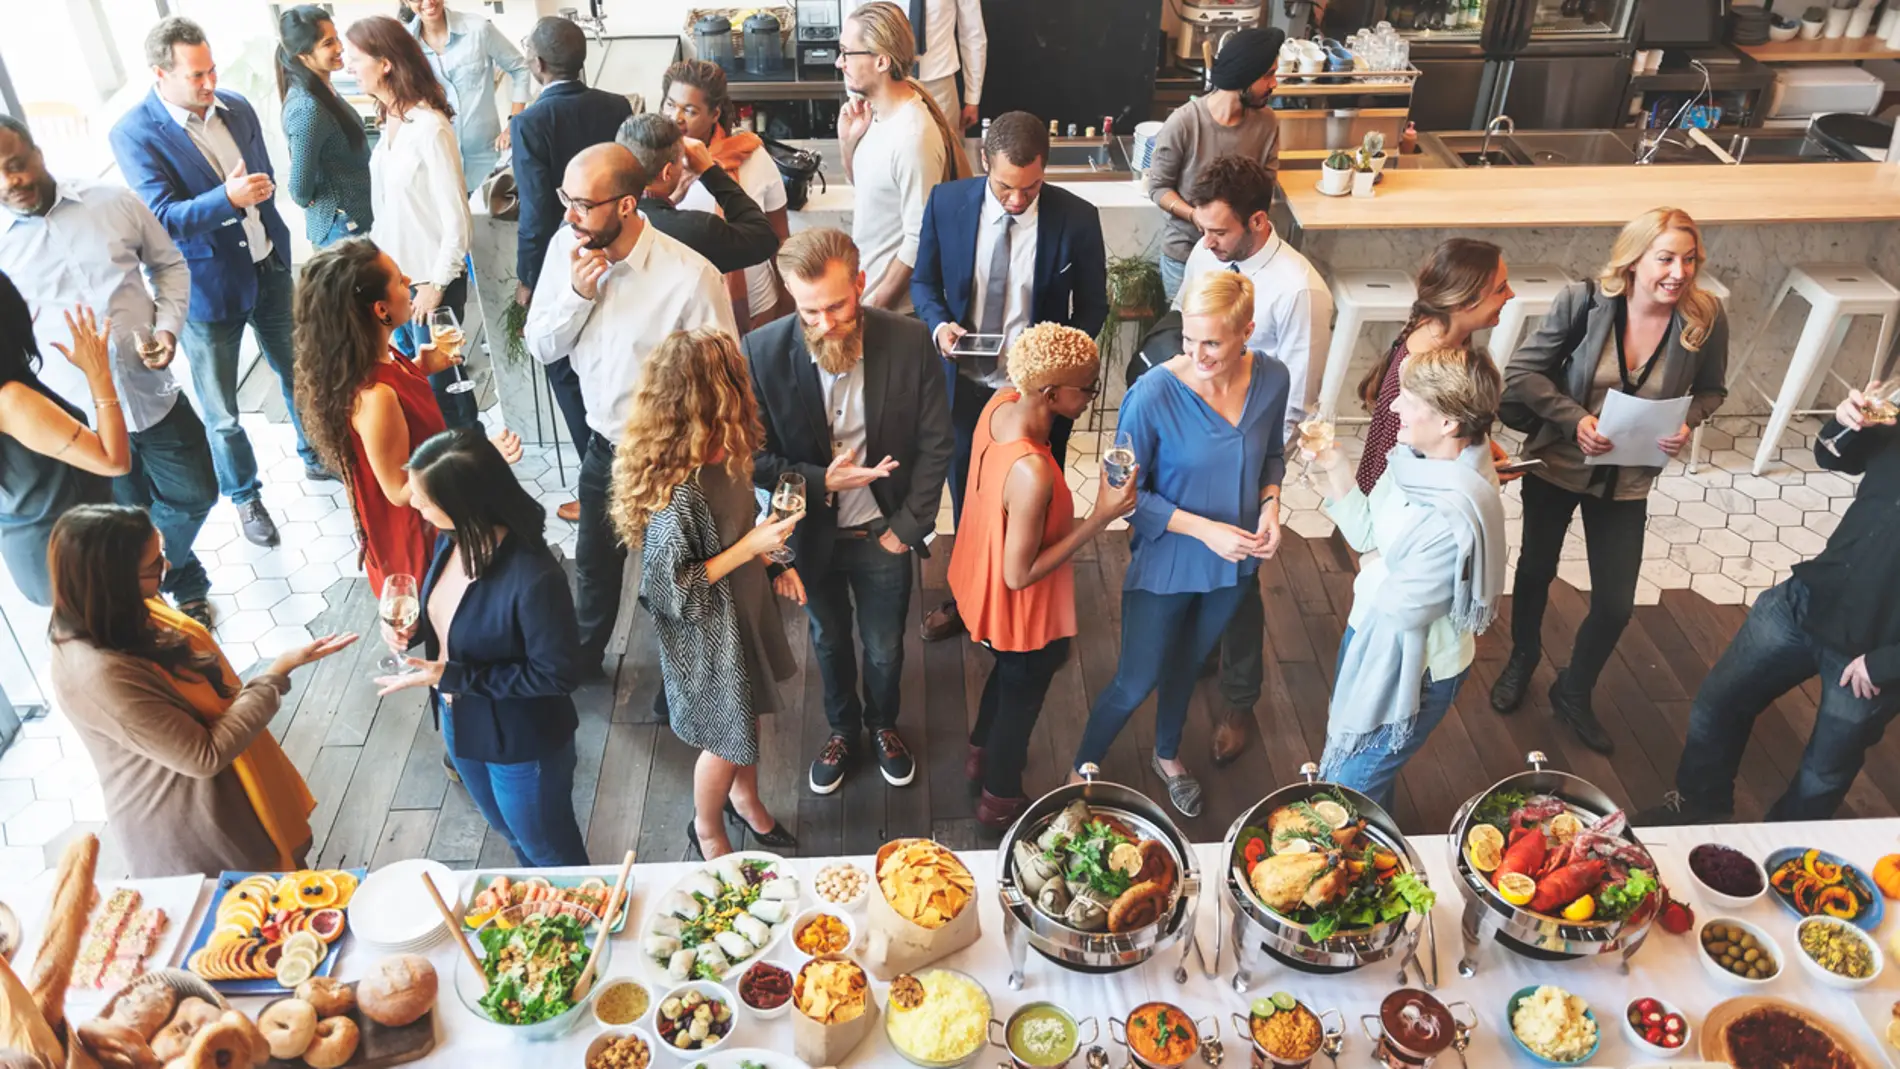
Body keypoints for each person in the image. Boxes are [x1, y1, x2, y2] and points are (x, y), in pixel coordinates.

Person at [1494, 207, 1728, 754]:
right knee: (1535, 569)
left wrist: (1689, 421)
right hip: (1559, 464)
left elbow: (1713, 389)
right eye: (1666, 258)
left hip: (1626, 478)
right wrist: (1575, 418)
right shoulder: (1585, 303)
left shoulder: (1704, 316)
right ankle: (1522, 657)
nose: (1679, 272)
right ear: (1634, 258)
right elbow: (1523, 374)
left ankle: (1574, 689)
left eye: (1689, 259)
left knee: (1617, 603)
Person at [742, 228, 952, 795]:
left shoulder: (909, 343)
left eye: (836, 305)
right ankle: (842, 729)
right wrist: (820, 480)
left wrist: (905, 531)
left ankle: (882, 723)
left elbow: (937, 445)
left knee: (884, 645)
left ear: (861, 284)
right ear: (790, 295)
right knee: (828, 638)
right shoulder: (761, 352)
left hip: (882, 530)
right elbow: (753, 457)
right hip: (812, 536)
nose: (825, 324)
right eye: (809, 311)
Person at [1070, 271, 1287, 817]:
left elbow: (1271, 457)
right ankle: (1079, 770)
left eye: (1211, 341)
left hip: (1233, 565)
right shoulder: (1152, 395)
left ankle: (1166, 755)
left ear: (1247, 332)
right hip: (1169, 561)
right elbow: (1123, 498)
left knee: (1188, 666)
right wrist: (1206, 530)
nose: (1197, 353)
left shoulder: (1273, 379)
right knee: (1135, 679)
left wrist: (1271, 507)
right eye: (1189, 339)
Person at [1637, 384, 1900, 825]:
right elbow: (1832, 456)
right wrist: (1844, 421)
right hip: (1808, 598)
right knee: (1717, 705)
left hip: (1875, 652)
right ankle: (1699, 808)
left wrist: (1889, 663)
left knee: (1824, 773)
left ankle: (1780, 856)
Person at [46, 504, 357, 878]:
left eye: (160, 554)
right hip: (195, 826)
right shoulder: (100, 673)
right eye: (153, 565)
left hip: (225, 797)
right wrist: (276, 674)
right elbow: (204, 755)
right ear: (113, 581)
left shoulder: (110, 611)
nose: (168, 567)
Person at [524, 143, 733, 675]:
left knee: (678, 578)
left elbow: (725, 383)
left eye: (583, 204)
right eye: (565, 199)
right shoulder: (564, 248)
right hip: (604, 447)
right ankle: (581, 665)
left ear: (626, 204)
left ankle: (683, 688)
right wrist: (575, 294)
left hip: (674, 459)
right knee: (594, 568)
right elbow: (541, 347)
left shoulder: (691, 278)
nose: (569, 215)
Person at [0, 118, 218, 627]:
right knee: (121, 521)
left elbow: (169, 265)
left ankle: (161, 569)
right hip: (75, 420)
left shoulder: (110, 200)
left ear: (38, 151)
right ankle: (177, 590)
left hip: (151, 389)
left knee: (197, 493)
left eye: (15, 164)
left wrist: (167, 329)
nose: (10, 181)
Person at [109, 16, 320, 540]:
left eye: (211, 71)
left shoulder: (238, 107)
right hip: (206, 289)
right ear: (160, 74)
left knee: (300, 375)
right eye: (196, 75)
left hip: (268, 264)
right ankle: (246, 498)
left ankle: (316, 451)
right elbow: (163, 216)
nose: (209, 84)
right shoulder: (134, 134)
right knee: (222, 411)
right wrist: (227, 199)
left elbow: (262, 180)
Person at [909, 110, 1108, 643]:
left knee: (1033, 507)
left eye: (1031, 187)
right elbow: (923, 283)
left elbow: (1094, 307)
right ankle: (966, 598)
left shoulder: (1078, 218)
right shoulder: (946, 204)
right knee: (969, 495)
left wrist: (1056, 359)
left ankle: (1023, 606)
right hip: (964, 386)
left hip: (1036, 400)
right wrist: (938, 326)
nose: (1017, 200)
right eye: (1005, 187)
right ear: (983, 163)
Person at [613, 329, 803, 859]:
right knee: (725, 738)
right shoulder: (679, 493)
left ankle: (746, 800)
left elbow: (735, 531)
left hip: (741, 608)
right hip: (707, 633)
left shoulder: (725, 453)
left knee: (750, 717)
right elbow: (670, 592)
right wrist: (751, 548)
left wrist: (770, 562)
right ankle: (707, 828)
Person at [1172, 154, 1331, 765]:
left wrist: (1261, 480)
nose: (1204, 242)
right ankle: (1197, 653)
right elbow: (1190, 339)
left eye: (1218, 231)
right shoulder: (1208, 254)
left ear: (1259, 221)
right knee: (1189, 559)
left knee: (1238, 585)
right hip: (1190, 445)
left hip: (1244, 462)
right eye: (1203, 229)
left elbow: (1299, 401)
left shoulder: (1299, 290)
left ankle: (1240, 700)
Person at [374, 428, 589, 866]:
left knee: (549, 849)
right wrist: (412, 631)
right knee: (510, 833)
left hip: (522, 743)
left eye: (423, 498)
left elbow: (558, 674)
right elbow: (450, 617)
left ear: (461, 506)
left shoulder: (534, 578)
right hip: (461, 720)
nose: (413, 503)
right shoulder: (450, 540)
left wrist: (449, 675)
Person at [950, 324, 1135, 828]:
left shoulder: (1000, 404)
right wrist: (1101, 515)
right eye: (1090, 388)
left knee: (1006, 677)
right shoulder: (1031, 471)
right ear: (1051, 393)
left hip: (979, 585)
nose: (1094, 395)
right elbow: (1019, 574)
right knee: (1023, 698)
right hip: (1020, 611)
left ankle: (978, 752)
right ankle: (999, 798)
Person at [1308, 347, 1506, 811]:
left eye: (1410, 399)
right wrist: (1335, 465)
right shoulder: (1411, 460)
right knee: (1365, 787)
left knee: (1342, 794)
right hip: (1369, 634)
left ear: (1448, 424)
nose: (1394, 405)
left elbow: (1402, 605)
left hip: (1417, 669)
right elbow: (1368, 537)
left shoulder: (1459, 508)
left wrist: (1378, 565)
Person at [294, 238, 514, 597]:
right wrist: (478, 457)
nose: (409, 280)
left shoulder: (380, 358)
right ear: (380, 309)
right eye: (398, 280)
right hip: (421, 536)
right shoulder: (376, 398)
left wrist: (417, 369)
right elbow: (399, 491)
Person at [511, 14, 633, 524]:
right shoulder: (617, 106)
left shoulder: (530, 123)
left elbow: (539, 207)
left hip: (565, 258)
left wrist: (527, 278)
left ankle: (598, 486)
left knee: (565, 369)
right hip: (621, 252)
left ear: (537, 65)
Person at [346, 15, 478, 430]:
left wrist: (436, 287)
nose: (348, 68)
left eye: (354, 59)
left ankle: (477, 477)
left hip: (428, 285)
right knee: (418, 389)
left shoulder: (430, 128)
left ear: (385, 63)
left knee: (448, 391)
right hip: (395, 279)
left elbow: (457, 218)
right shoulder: (389, 120)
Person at [835, 1, 971, 313]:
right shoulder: (876, 113)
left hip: (898, 311)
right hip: (870, 293)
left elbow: (918, 238)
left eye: (847, 52)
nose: (839, 62)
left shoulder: (912, 137)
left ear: (882, 61)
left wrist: (875, 308)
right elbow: (868, 190)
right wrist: (848, 142)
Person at [1355, 239, 1514, 494]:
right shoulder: (1429, 373)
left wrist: (1480, 448)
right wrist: (1480, 471)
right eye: (1501, 289)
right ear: (1465, 302)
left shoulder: (1444, 334)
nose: (1511, 295)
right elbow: (1419, 471)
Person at [0, 286, 123, 605]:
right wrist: (99, 374)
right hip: (73, 556)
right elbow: (114, 461)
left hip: (40, 546)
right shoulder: (12, 400)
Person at [1146, 26, 1285, 303]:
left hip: (1240, 260)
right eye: (1268, 74)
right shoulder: (1184, 123)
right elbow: (1158, 187)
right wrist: (1195, 216)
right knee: (1185, 337)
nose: (1274, 83)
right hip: (1184, 257)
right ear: (1243, 77)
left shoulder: (1267, 123)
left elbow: (1265, 188)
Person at [662, 60, 792, 329]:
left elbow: (779, 236)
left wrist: (787, 298)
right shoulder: (652, 163)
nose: (677, 118)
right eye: (670, 104)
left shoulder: (752, 156)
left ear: (714, 114)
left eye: (690, 110)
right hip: (686, 315)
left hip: (757, 307)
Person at [616, 114, 780, 287]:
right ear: (667, 172)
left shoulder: (601, 219)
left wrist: (668, 201)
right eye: (681, 161)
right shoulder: (697, 230)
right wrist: (710, 171)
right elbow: (764, 239)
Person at [407, 0, 530, 191]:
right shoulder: (404, 44)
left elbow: (520, 68)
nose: (428, 2)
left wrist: (514, 122)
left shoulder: (478, 29)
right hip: (437, 167)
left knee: (488, 219)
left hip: (485, 161)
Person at [277, 5, 373, 248]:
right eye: (328, 43)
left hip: (355, 219)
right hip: (342, 228)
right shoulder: (307, 108)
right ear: (303, 55)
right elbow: (299, 189)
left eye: (336, 38)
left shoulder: (322, 90)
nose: (340, 48)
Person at [847, 0, 986, 129]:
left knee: (946, 152)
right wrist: (855, 94)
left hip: (941, 88)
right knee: (888, 151)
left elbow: (972, 34)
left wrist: (972, 98)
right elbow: (852, 36)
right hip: (885, 84)